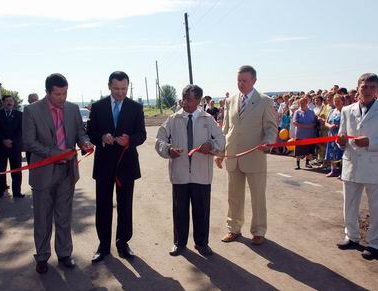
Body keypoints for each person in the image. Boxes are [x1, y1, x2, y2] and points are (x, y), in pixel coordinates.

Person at [23, 73, 92, 274]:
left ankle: (64, 254)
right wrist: (55, 154)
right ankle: (42, 257)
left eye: (65, 93)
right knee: (42, 218)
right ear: (47, 92)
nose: (62, 97)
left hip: (67, 172)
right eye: (58, 94)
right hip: (43, 173)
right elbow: (29, 142)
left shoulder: (72, 109)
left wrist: (84, 142)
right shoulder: (32, 111)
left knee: (64, 216)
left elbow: (80, 131)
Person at [155, 84, 224, 256]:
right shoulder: (173, 119)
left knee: (201, 211)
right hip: (180, 174)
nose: (184, 102)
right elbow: (160, 140)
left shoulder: (208, 120)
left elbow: (222, 141)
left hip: (202, 175)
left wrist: (211, 146)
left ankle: (202, 243)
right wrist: (168, 150)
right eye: (183, 98)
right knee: (180, 211)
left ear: (199, 101)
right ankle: (179, 243)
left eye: (189, 100)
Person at [87, 71, 146, 263]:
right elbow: (90, 132)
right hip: (104, 165)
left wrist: (130, 140)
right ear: (109, 86)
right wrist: (101, 138)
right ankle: (103, 246)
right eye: (116, 88)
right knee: (103, 206)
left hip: (126, 165)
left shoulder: (135, 107)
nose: (120, 93)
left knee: (125, 206)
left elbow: (142, 134)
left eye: (124, 88)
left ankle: (123, 244)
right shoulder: (98, 107)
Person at [216, 65, 277, 245]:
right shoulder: (230, 101)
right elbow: (226, 129)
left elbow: (271, 128)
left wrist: (268, 142)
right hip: (233, 156)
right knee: (233, 196)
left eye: (245, 80)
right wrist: (221, 153)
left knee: (258, 196)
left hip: (255, 156)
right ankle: (233, 228)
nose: (241, 84)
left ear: (254, 81)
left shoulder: (265, 101)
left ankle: (258, 231)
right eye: (239, 81)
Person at [336, 73, 378, 260]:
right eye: (364, 86)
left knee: (375, 208)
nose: (367, 90)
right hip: (351, 163)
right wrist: (340, 141)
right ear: (358, 87)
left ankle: (374, 242)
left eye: (371, 86)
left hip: (373, 165)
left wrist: (370, 142)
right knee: (349, 205)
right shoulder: (347, 110)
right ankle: (351, 236)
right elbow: (341, 136)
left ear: (376, 89)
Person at [0, 95, 24, 198]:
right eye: (7, 101)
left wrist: (12, 140)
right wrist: (3, 140)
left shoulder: (19, 114)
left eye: (11, 100)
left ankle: (17, 191)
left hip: (15, 146)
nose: (9, 103)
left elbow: (20, 130)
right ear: (3, 102)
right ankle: (2, 189)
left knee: (16, 169)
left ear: (13, 102)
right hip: (1, 146)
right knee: (1, 169)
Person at [293, 96, 317, 170]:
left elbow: (315, 122)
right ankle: (298, 164)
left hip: (310, 134)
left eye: (303, 102)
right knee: (299, 151)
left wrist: (312, 125)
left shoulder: (311, 111)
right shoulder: (297, 112)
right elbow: (295, 122)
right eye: (300, 103)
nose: (302, 104)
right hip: (300, 135)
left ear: (306, 102)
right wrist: (305, 126)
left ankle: (307, 163)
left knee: (309, 150)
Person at [324, 94, 344, 177]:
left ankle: (342, 172)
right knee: (332, 153)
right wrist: (330, 126)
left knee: (341, 154)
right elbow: (326, 122)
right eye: (335, 101)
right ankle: (333, 170)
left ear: (343, 101)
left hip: (341, 136)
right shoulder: (332, 111)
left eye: (338, 101)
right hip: (332, 135)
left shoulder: (345, 111)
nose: (336, 103)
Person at [25, 93, 39, 165]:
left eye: (36, 100)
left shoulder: (45, 112)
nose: (34, 102)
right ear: (28, 101)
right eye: (32, 100)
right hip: (30, 148)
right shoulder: (25, 113)